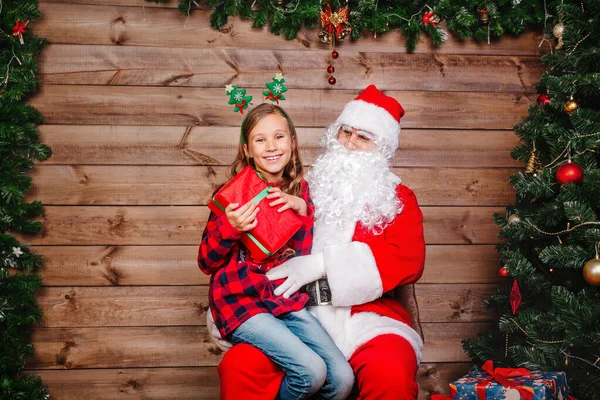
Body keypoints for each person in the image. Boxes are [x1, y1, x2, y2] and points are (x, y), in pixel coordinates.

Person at [212, 86, 426, 400]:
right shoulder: (301, 189)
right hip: (296, 312)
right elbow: (249, 247)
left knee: (390, 373)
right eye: (346, 132)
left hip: (367, 319)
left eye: (363, 138)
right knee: (240, 365)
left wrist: (320, 264)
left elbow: (407, 259)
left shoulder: (398, 200)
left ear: (381, 147)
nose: (351, 144)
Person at [198, 103, 354, 400]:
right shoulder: (232, 194)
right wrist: (230, 227)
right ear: (247, 149)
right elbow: (206, 261)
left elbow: (303, 255)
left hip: (285, 301)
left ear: (292, 142)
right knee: (310, 372)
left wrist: (303, 211)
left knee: (342, 379)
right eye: (260, 139)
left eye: (279, 137)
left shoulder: (300, 191)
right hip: (242, 304)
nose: (271, 146)